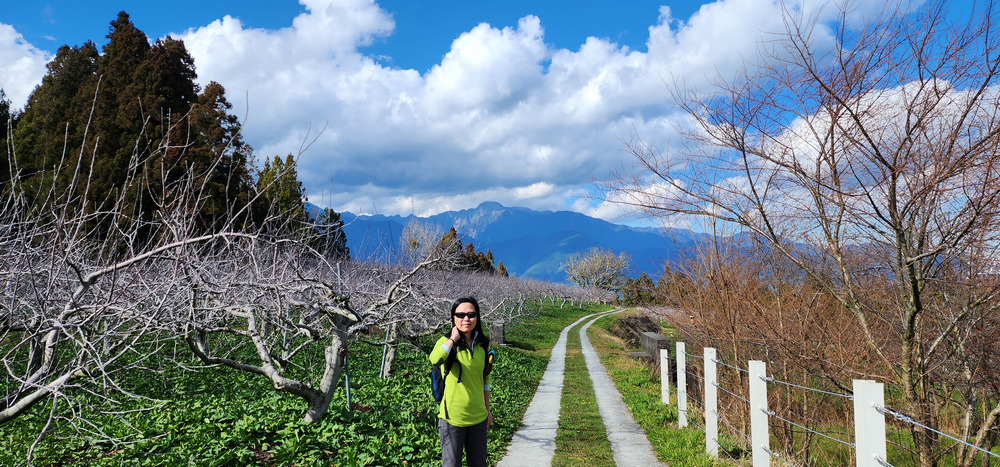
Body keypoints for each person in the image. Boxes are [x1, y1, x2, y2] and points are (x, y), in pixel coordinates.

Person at [429, 297, 492, 467]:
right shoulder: (445, 343)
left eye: (471, 314)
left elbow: (485, 378)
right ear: (453, 318)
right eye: (461, 315)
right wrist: (452, 339)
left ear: (477, 317)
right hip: (452, 419)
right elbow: (435, 359)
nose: (466, 319)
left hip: (478, 417)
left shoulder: (482, 345)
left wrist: (488, 410)